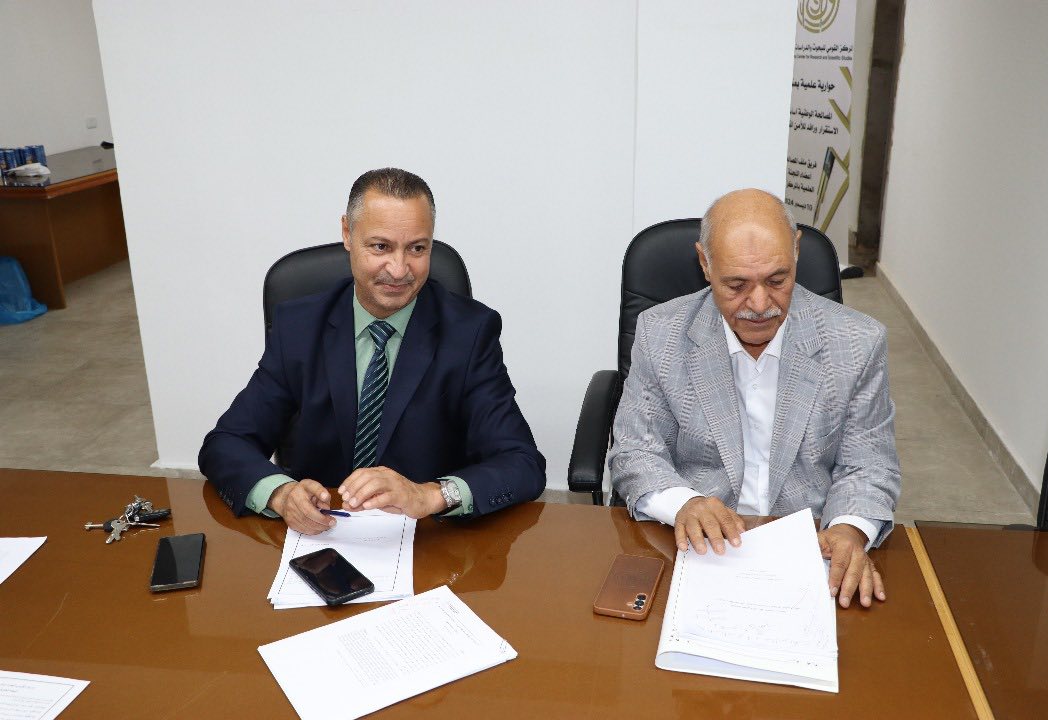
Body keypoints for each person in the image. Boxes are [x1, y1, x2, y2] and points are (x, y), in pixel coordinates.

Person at [200, 168, 546, 534]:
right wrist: (280, 494)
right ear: (347, 234)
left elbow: (522, 463)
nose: (399, 270)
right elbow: (226, 443)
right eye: (381, 247)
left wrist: (431, 495)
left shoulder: (469, 333)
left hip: (428, 540)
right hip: (319, 534)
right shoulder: (299, 327)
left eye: (417, 248)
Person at [610, 189, 900, 609]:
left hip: (810, 547)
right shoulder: (661, 334)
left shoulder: (857, 342)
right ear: (705, 263)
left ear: (796, 251)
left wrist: (849, 530)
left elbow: (869, 464)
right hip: (696, 549)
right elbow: (635, 451)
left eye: (777, 281)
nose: (760, 305)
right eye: (737, 285)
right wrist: (684, 503)